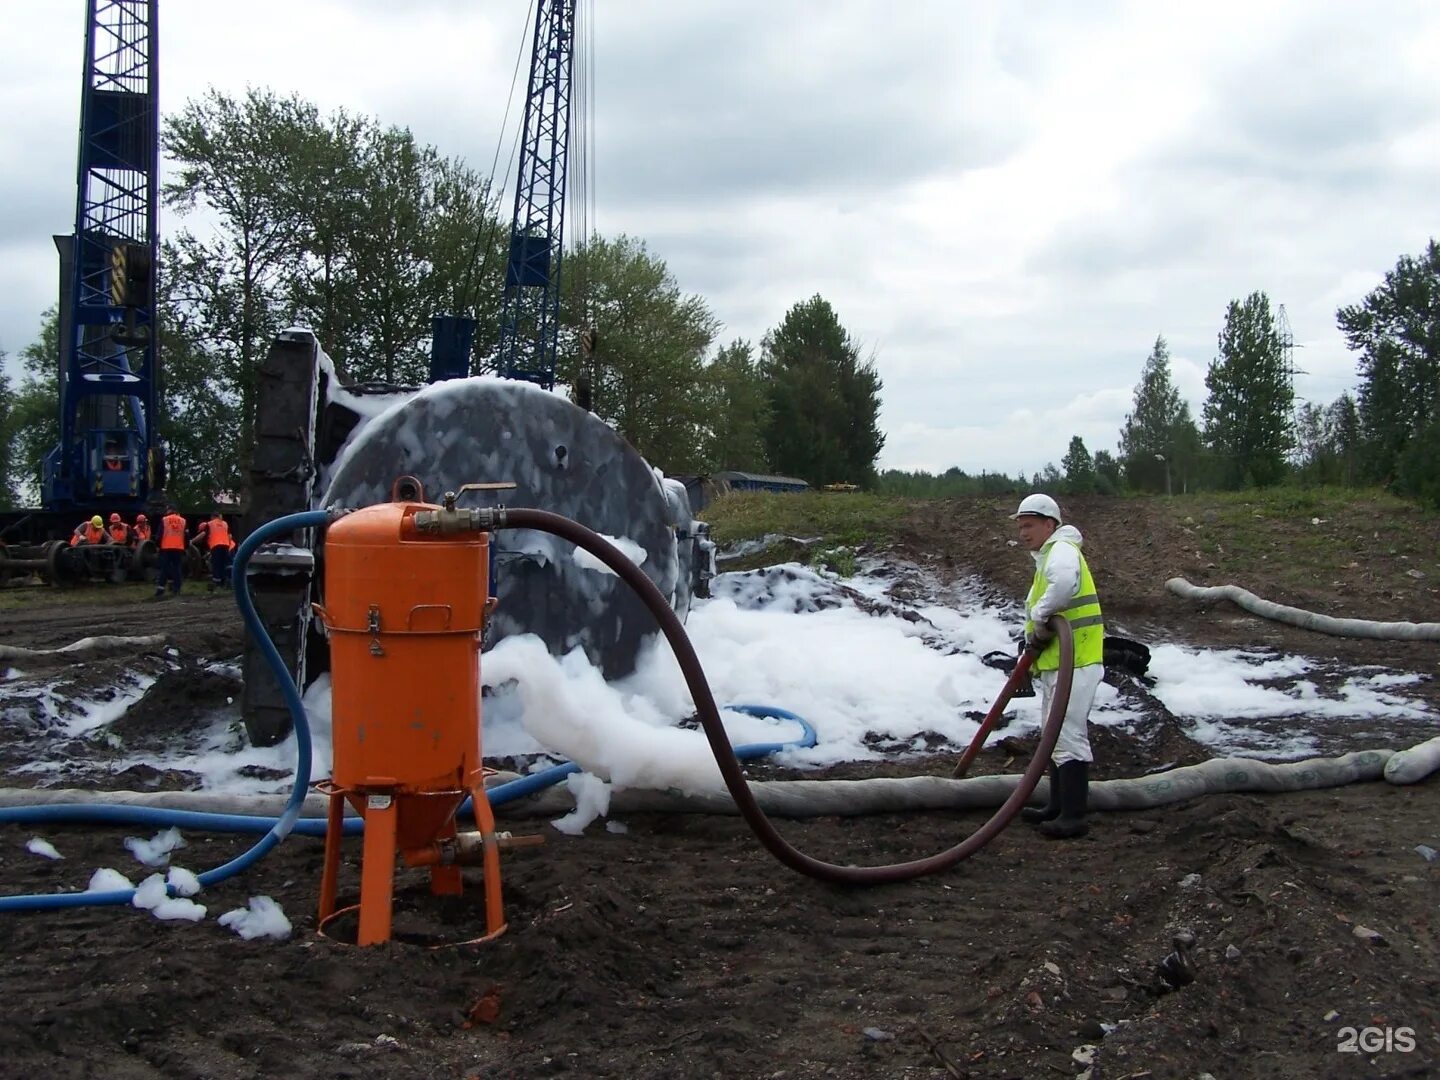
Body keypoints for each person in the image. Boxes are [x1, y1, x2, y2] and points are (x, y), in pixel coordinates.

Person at [1011, 493, 1104, 839]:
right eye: (1021, 526)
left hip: (1077, 661)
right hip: (1059, 664)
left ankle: (1074, 816)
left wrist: (1039, 616)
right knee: (1052, 735)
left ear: (1050, 524)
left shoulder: (1062, 552)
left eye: (1029, 525)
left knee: (1067, 735)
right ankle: (1056, 806)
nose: (1023, 533)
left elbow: (1063, 586)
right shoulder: (1047, 556)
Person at [193, 511, 236, 592]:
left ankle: (217, 584)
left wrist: (192, 541)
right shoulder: (225, 524)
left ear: (212, 517)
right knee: (227, 564)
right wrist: (228, 544)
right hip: (226, 546)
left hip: (216, 546)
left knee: (216, 564)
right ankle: (229, 581)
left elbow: (203, 534)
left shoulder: (210, 524)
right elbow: (229, 535)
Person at [153, 505, 187, 599]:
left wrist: (157, 546)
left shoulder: (165, 520)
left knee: (164, 569)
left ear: (169, 510)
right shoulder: (183, 521)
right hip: (178, 548)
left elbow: (160, 534)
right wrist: (185, 547)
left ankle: (160, 590)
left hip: (166, 548)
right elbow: (186, 536)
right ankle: (177, 589)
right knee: (177, 569)